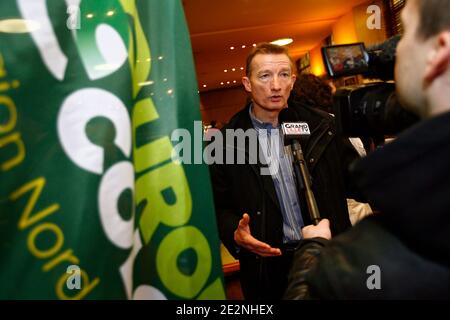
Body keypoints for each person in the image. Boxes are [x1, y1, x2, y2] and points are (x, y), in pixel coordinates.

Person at [284, 0, 450, 299]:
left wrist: (311, 254)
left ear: (439, 51)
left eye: (407, 31)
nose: (394, 51)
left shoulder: (363, 262)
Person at [209, 43, 358, 300]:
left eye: (283, 75)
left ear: (293, 80)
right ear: (247, 83)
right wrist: (235, 232)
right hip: (268, 265)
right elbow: (218, 204)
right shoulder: (226, 141)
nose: (276, 85)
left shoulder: (323, 125)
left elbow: (358, 179)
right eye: (265, 76)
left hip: (330, 253)